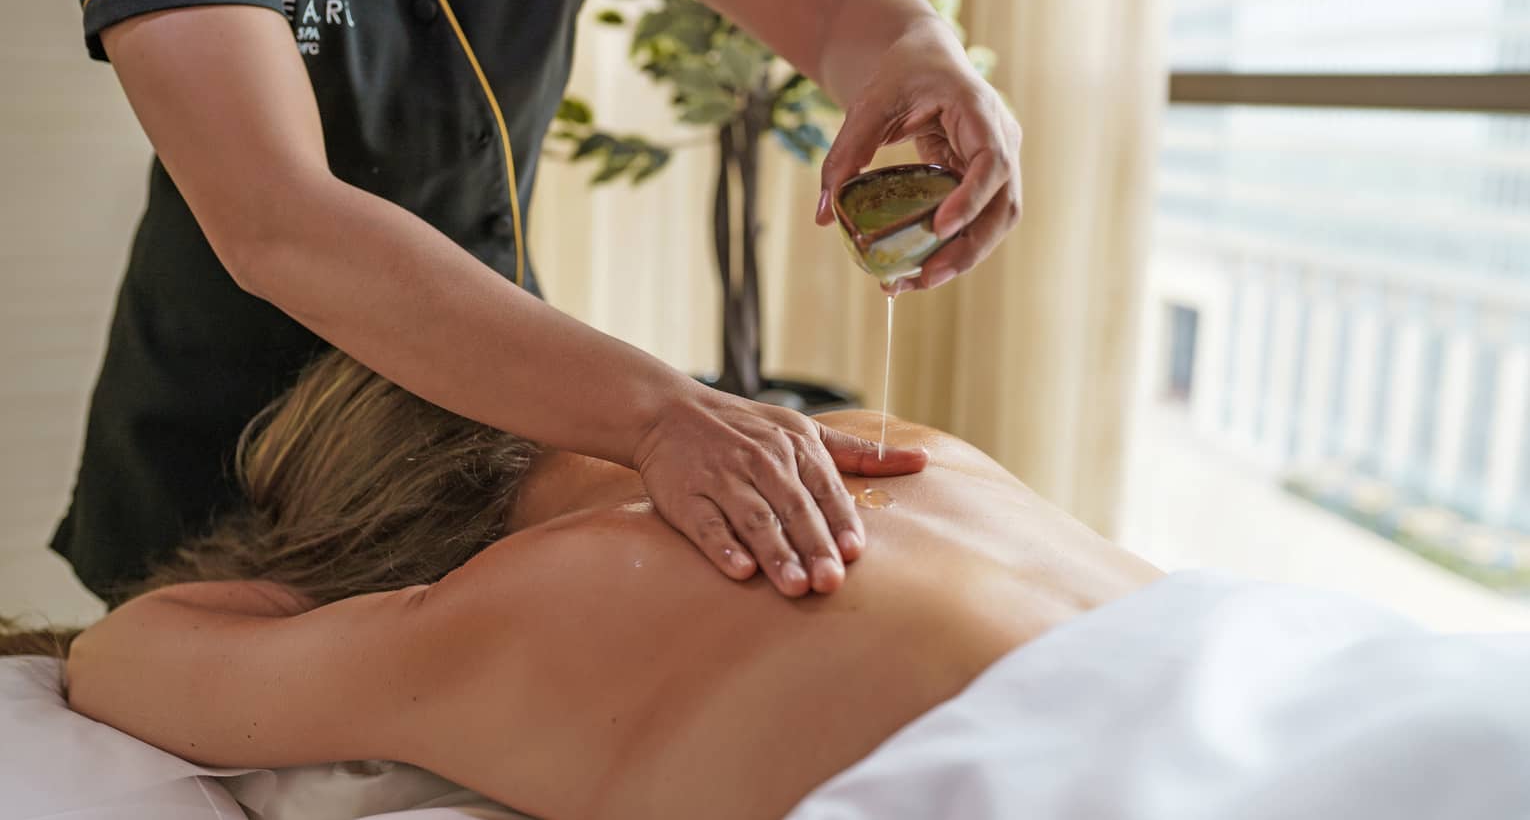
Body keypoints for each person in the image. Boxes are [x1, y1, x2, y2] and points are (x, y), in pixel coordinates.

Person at [56, 0, 1024, 605]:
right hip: (225, 477)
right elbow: (274, 217)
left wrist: (914, 43)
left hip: (488, 454)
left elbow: (830, 6)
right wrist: (656, 414)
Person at [60, 349, 1157, 819]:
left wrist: (307, 583)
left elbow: (119, 657)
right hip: (1290, 669)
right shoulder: (877, 441)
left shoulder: (523, 608)